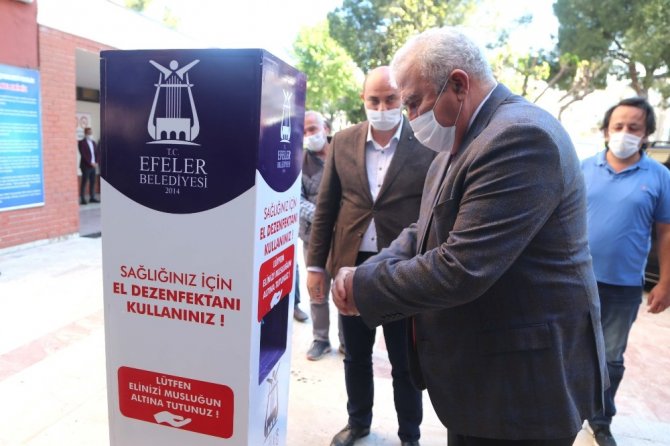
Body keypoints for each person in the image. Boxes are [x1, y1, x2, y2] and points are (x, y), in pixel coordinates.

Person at [331, 27, 608, 445]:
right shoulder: (461, 142)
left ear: (458, 84)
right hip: (484, 379)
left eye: (414, 103)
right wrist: (366, 270)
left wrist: (364, 287)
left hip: (521, 392)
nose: (410, 117)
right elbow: (423, 228)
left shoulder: (519, 137)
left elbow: (461, 268)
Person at [307, 66, 435, 446]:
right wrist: (316, 266)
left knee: (404, 361)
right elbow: (326, 207)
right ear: (363, 99)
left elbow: (432, 211)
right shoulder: (344, 142)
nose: (382, 108)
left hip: (401, 269)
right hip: (351, 267)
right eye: (374, 100)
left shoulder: (425, 142)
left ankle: (410, 435)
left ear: (402, 98)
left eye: (390, 99)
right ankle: (358, 422)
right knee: (355, 355)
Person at [581, 97, 670, 446]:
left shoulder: (659, 177)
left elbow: (665, 232)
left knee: (610, 359)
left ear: (646, 134)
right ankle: (561, 411)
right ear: (606, 130)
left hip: (623, 287)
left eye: (634, 127)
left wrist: (665, 282)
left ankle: (600, 420)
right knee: (565, 350)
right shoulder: (583, 169)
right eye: (618, 126)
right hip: (576, 282)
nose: (624, 133)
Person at [300, 110, 345, 358]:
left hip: (345, 238)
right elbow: (296, 200)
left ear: (325, 128)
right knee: (317, 291)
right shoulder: (299, 162)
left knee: (345, 289)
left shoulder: (344, 152)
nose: (309, 135)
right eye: (305, 131)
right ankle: (320, 339)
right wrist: (324, 217)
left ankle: (347, 341)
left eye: (313, 129)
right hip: (314, 238)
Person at [78, 127, 100, 204]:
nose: (90, 134)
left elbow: (97, 153)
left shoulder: (93, 142)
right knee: (84, 182)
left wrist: (96, 162)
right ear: (85, 133)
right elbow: (83, 154)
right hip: (86, 166)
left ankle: (92, 197)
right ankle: (83, 199)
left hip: (94, 166)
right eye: (88, 133)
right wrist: (90, 163)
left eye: (91, 133)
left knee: (93, 182)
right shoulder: (81, 142)